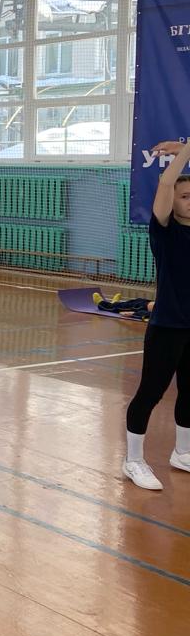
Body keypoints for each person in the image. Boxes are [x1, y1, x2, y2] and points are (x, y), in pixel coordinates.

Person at [122, 139, 190, 490]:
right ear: (172, 202)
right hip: (167, 327)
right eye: (185, 196)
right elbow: (166, 183)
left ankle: (183, 452)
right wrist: (186, 151)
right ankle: (133, 460)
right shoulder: (164, 230)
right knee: (150, 393)